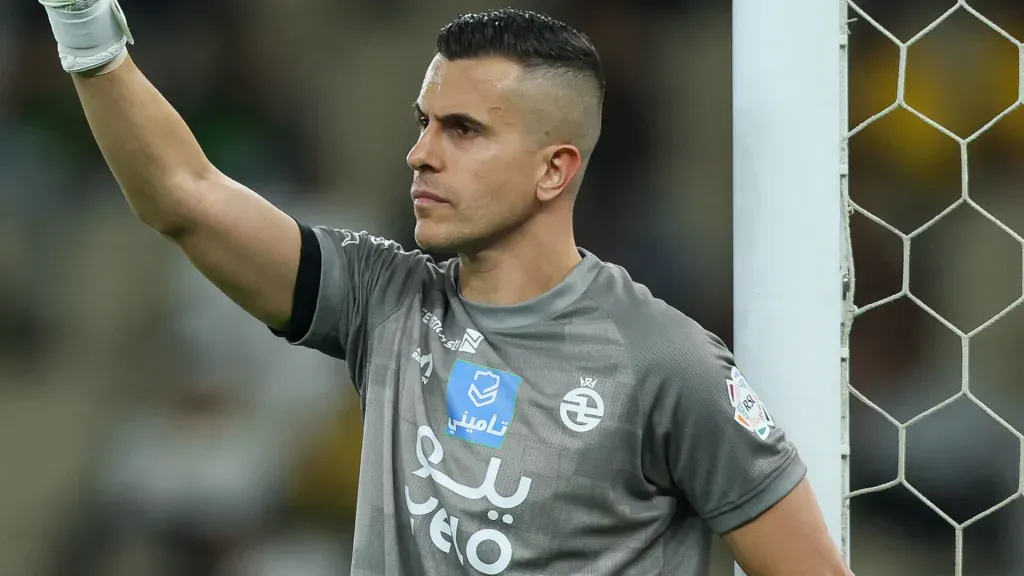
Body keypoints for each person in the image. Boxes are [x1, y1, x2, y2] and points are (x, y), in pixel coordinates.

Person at [38, 1, 854, 574]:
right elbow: (182, 196)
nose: (420, 153)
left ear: (553, 169)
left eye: (463, 130)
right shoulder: (384, 301)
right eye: (425, 123)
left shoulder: (665, 363)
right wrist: (80, 16)